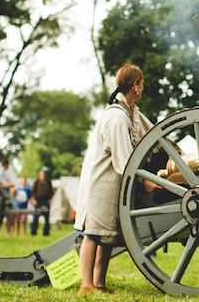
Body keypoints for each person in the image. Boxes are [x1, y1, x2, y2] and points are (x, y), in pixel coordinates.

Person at [75, 63, 153, 295]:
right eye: (142, 83)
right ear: (135, 86)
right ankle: (86, 283)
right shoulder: (116, 117)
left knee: (107, 236)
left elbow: (152, 133)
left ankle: (99, 282)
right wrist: (146, 181)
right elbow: (124, 160)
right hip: (102, 183)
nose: (143, 87)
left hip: (115, 183)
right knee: (93, 234)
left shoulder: (131, 111)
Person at [30, 167, 54, 236]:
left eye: (44, 174)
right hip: (38, 202)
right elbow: (32, 192)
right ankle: (33, 232)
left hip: (45, 202)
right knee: (35, 217)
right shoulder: (36, 182)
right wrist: (33, 200)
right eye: (41, 174)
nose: (43, 175)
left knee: (46, 218)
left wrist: (50, 200)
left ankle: (46, 233)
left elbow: (52, 192)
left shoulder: (48, 182)